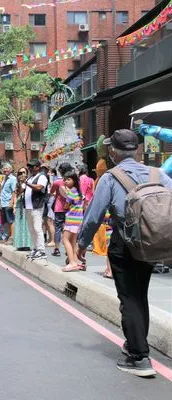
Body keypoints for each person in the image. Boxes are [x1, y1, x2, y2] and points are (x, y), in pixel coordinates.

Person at [77, 129, 172, 377]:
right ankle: (135, 343)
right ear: (137, 149)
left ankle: (139, 357)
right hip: (152, 244)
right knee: (140, 296)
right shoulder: (159, 174)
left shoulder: (110, 177)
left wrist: (80, 246)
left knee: (129, 299)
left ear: (112, 152)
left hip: (125, 244)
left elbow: (94, 216)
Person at [24, 159, 49, 260]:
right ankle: (35, 248)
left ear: (38, 167)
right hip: (29, 206)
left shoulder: (42, 176)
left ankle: (41, 250)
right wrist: (20, 183)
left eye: (32, 166)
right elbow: (22, 189)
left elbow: (39, 187)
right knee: (31, 229)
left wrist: (26, 183)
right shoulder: (30, 177)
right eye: (29, 166)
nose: (30, 168)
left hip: (37, 206)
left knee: (37, 228)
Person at [60, 171, 84, 272]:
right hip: (78, 219)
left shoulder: (71, 191)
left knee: (65, 240)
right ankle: (75, 261)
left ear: (74, 180)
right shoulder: (78, 191)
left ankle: (72, 262)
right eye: (65, 179)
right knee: (73, 241)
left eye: (68, 179)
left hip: (71, 219)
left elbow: (66, 205)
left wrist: (65, 195)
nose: (66, 181)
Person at [12, 167, 32, 251]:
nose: (22, 174)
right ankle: (20, 244)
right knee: (20, 223)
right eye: (20, 173)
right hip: (20, 205)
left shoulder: (30, 181)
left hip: (27, 205)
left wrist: (25, 182)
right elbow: (16, 194)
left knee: (27, 224)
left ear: (27, 173)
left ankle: (27, 244)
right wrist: (14, 206)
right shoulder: (17, 183)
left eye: (24, 172)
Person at [0, 163, 17, 243]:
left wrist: (12, 202)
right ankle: (8, 236)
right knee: (6, 221)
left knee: (11, 220)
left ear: (11, 169)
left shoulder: (12, 179)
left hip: (9, 202)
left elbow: (14, 191)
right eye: (4, 169)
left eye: (7, 168)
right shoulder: (4, 178)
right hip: (3, 203)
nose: (5, 170)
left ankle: (12, 237)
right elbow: (2, 191)